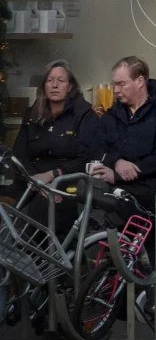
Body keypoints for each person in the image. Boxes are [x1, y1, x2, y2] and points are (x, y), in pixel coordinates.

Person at [8, 61, 104, 226]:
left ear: (70, 86)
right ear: (44, 86)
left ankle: (28, 251)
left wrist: (53, 175)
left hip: (66, 182)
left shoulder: (83, 114)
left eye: (61, 81)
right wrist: (35, 181)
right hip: (32, 181)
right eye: (50, 80)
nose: (54, 85)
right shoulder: (32, 113)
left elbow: (88, 157)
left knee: (38, 209)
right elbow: (19, 153)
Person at [91, 57, 156, 210]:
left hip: (149, 188)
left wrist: (118, 176)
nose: (115, 90)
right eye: (114, 84)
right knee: (83, 191)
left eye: (121, 84)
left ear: (140, 81)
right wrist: (117, 162)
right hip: (111, 184)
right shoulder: (109, 117)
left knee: (110, 204)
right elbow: (97, 149)